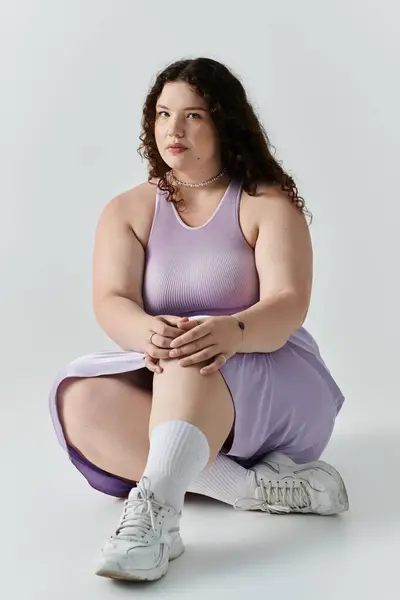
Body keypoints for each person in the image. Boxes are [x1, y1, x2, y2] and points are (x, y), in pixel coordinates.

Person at [49, 57, 349, 583]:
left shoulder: (266, 203)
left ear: (224, 122)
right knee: (80, 399)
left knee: (191, 352)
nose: (173, 129)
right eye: (164, 114)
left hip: (269, 371)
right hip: (173, 372)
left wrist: (229, 332)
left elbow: (286, 303)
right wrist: (149, 333)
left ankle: (155, 522)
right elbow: (112, 299)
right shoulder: (127, 210)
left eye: (193, 116)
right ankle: (251, 489)